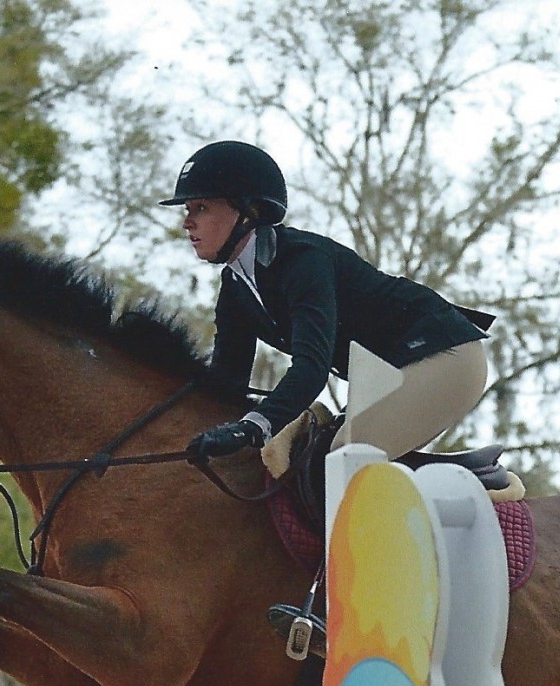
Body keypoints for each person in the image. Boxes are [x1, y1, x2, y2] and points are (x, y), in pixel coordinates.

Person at [161, 140, 493, 463]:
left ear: (249, 211)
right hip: (386, 375)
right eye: (188, 210)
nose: (187, 221)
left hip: (446, 356)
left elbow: (311, 368)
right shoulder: (235, 286)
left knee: (341, 458)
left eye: (201, 208)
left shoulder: (304, 261)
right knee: (310, 456)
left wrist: (254, 426)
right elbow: (226, 383)